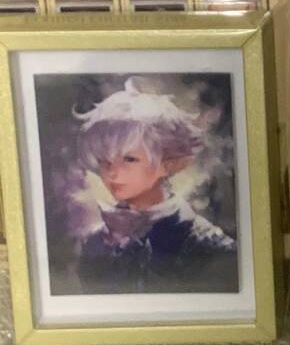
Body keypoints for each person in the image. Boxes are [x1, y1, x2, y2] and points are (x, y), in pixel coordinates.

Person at [74, 78, 237, 293]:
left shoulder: (208, 247)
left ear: (168, 163)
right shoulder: (94, 243)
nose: (112, 172)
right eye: (105, 161)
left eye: (129, 159)